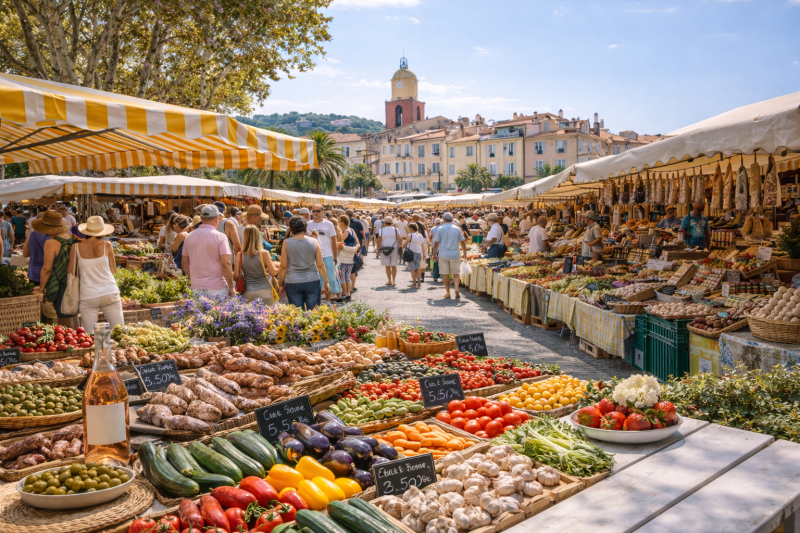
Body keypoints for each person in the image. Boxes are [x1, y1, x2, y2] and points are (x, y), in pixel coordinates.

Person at [67, 216, 123, 334]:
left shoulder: (75, 247)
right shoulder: (107, 245)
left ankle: (98, 347)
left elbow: (70, 272)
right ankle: (112, 347)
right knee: (119, 331)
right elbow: (113, 270)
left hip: (88, 295)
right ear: (102, 232)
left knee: (90, 335)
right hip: (109, 292)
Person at [36, 211, 78, 327]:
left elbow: (47, 269)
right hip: (75, 282)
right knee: (73, 316)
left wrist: (41, 289)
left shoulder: (51, 243)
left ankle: (71, 338)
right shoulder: (71, 238)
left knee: (63, 320)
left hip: (61, 284)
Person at [183, 204, 235, 299]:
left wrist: (193, 278)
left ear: (201, 218)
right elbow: (225, 263)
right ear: (217, 218)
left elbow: (184, 263)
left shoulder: (189, 236)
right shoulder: (221, 237)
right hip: (217, 287)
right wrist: (231, 287)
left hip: (196, 287)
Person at [278, 216, 330, 310]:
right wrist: (326, 282)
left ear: (291, 229)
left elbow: (283, 266)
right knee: (314, 313)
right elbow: (320, 265)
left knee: (297, 314)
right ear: (305, 228)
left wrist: (281, 283)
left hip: (293, 281)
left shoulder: (286, 242)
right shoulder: (314, 241)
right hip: (312, 280)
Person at [234, 225, 279, 304]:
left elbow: (236, 276)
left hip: (247, 292)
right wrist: (278, 268)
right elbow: (273, 273)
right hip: (265, 292)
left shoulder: (239, 255)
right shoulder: (264, 253)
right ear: (258, 237)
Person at [307, 204, 341, 301]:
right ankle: (316, 301)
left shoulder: (328, 224)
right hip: (312, 256)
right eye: (313, 211)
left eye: (317, 211)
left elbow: (334, 241)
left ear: (322, 212)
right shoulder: (308, 224)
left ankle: (328, 301)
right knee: (314, 279)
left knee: (329, 279)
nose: (315, 213)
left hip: (327, 255)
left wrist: (335, 256)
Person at [433, 212, 468, 299]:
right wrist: (464, 253)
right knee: (456, 273)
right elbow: (462, 242)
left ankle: (448, 293)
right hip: (455, 253)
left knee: (445, 274)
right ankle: (456, 289)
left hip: (443, 254)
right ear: (452, 219)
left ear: (444, 219)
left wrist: (434, 254)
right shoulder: (457, 229)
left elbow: (436, 243)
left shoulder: (440, 229)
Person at [336, 215, 359, 301]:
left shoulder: (344, 232)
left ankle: (344, 294)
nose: (338, 222)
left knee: (342, 277)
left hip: (343, 257)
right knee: (348, 276)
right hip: (350, 257)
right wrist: (355, 248)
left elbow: (339, 244)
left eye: (338, 221)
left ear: (342, 222)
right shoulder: (351, 230)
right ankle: (348, 294)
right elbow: (357, 243)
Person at [377, 216, 400, 286]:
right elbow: (400, 239)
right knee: (394, 265)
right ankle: (394, 280)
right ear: (391, 223)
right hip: (394, 248)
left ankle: (389, 280)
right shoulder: (396, 230)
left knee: (387, 266)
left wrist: (378, 249)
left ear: (385, 222)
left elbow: (379, 240)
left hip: (384, 248)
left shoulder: (381, 230)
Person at [403, 222, 427, 288]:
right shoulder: (420, 235)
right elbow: (422, 245)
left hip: (411, 253)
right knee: (418, 267)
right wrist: (423, 254)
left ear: (411, 228)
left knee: (412, 268)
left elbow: (404, 245)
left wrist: (403, 246)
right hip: (419, 252)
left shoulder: (410, 235)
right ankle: (419, 282)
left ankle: (414, 282)